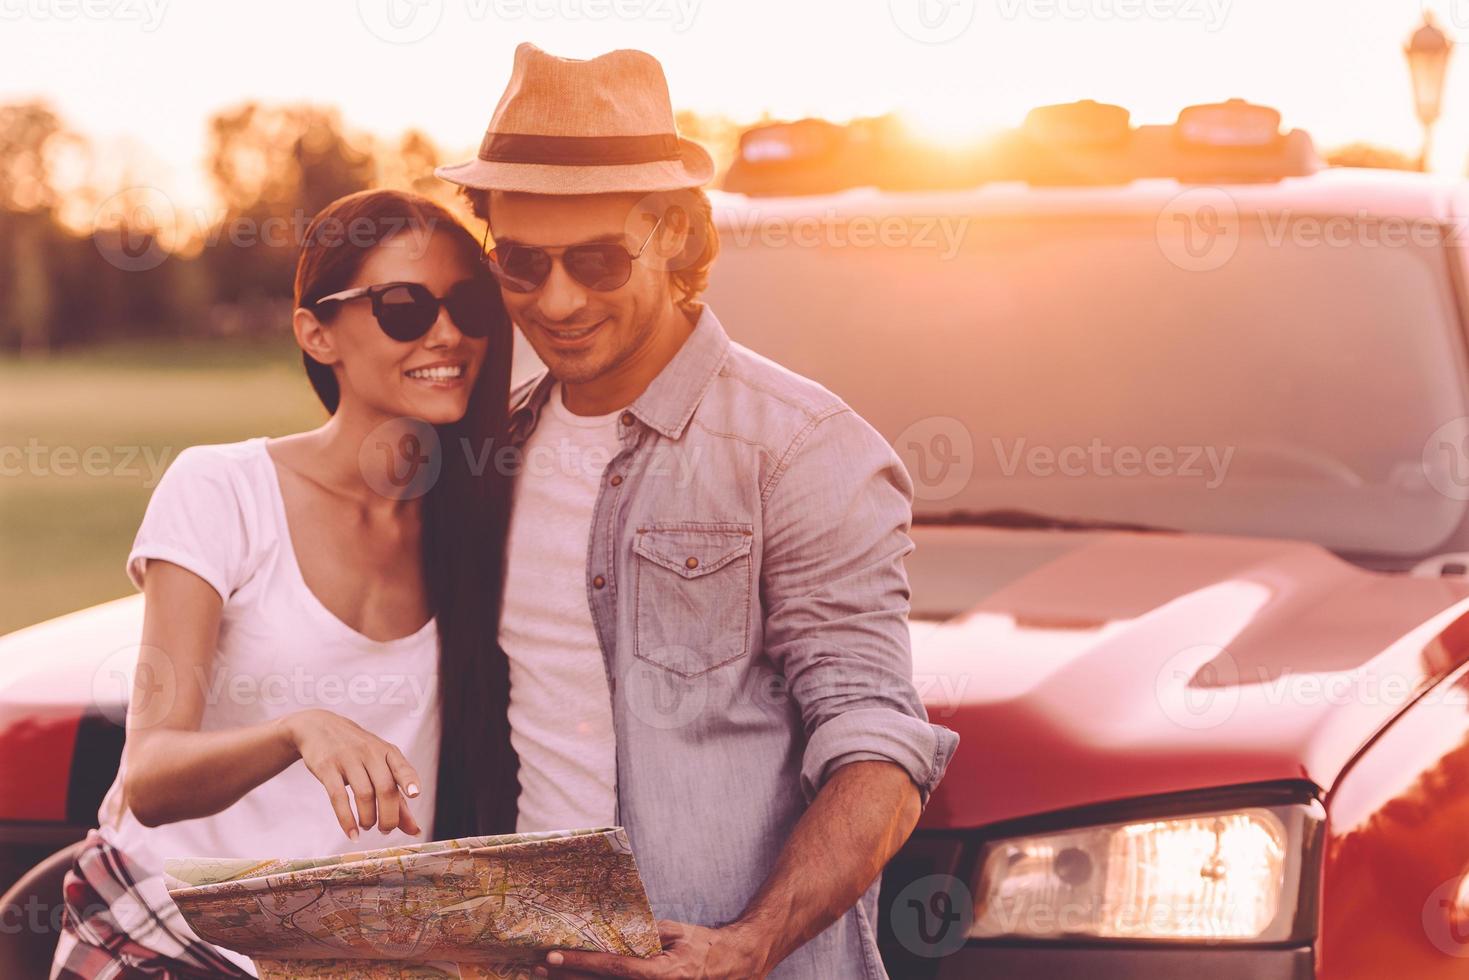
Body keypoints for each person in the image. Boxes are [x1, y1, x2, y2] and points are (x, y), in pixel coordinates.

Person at [437, 43, 960, 979]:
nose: (556, 301)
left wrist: (746, 947)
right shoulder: (489, 456)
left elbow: (876, 746)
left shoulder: (800, 449)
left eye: (597, 260)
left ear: (673, 233)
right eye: (520, 264)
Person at [50, 189, 518, 979]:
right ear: (316, 332)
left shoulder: (486, 517)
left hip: (350, 958)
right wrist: (295, 729)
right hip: (173, 940)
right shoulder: (222, 488)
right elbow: (150, 776)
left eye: (469, 303)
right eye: (403, 306)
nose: (447, 332)